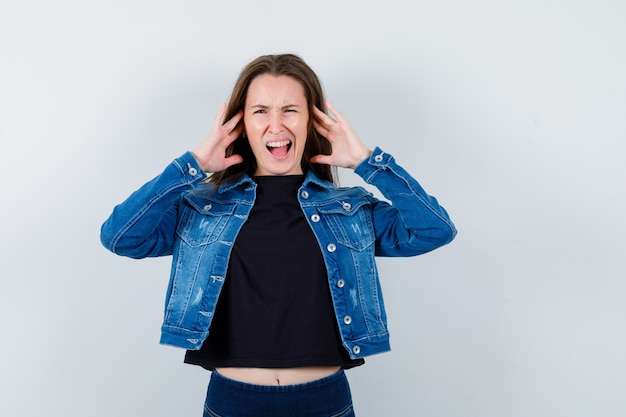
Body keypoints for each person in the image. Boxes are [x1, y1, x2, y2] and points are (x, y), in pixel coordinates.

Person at [100, 53, 456, 417]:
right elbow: (120, 237)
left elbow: (433, 230)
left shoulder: (350, 209)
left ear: (311, 121)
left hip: (324, 403)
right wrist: (191, 167)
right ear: (239, 124)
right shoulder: (203, 208)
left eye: (289, 110)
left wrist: (368, 163)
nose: (275, 125)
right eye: (260, 111)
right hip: (232, 403)